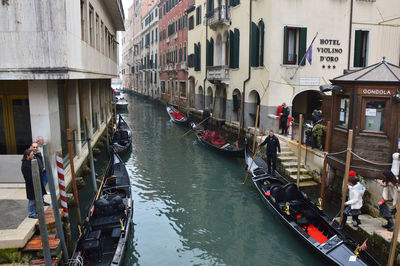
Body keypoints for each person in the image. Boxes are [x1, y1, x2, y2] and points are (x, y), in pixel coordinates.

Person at [21, 149, 46, 218]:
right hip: (31, 186)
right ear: (27, 156)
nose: (33, 155)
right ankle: (31, 213)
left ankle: (34, 211)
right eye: (32, 154)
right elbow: (28, 177)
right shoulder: (25, 165)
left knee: (35, 200)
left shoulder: (31, 161)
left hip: (35, 184)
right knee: (32, 201)